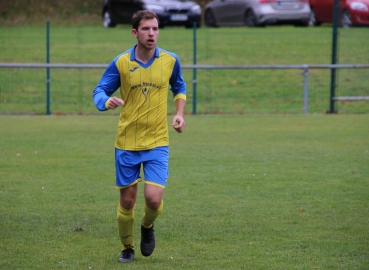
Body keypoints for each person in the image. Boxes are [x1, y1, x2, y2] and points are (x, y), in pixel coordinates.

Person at [92, 10, 186, 263]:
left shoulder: (170, 60)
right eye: (146, 29)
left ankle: (147, 227)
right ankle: (128, 248)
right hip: (127, 143)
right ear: (135, 32)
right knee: (128, 200)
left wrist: (179, 114)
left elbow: (180, 86)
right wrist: (105, 101)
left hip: (157, 141)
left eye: (155, 28)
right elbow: (99, 89)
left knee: (154, 200)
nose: (152, 33)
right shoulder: (122, 62)